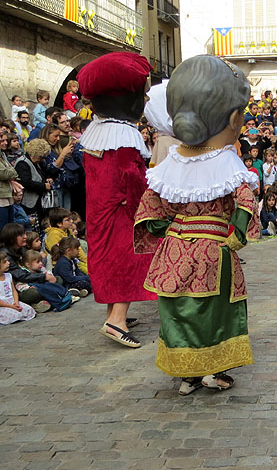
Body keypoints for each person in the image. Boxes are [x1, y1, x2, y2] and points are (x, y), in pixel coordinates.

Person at [134, 55, 259, 395]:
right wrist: (236, 234)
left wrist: (171, 232)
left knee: (179, 310)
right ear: (234, 118)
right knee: (214, 311)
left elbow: (150, 209)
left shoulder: (170, 162)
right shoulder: (226, 161)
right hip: (212, 250)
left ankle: (187, 374)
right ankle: (212, 372)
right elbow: (244, 203)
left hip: (175, 247)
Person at [77, 51, 157, 348]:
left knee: (109, 261)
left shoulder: (97, 131)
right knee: (128, 261)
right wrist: (147, 207)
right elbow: (131, 178)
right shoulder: (123, 135)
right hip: (121, 213)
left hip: (100, 210)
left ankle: (114, 313)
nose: (144, 100)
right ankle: (116, 321)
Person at [14, 139, 53, 218]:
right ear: (34, 153)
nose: (42, 159)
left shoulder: (37, 163)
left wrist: (47, 180)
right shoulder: (22, 163)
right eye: (41, 157)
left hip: (38, 201)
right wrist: (43, 186)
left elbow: (40, 176)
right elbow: (25, 182)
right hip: (27, 202)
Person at [0, 250, 36, 325]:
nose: (8, 263)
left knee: (29, 310)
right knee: (15, 315)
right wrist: (10, 306)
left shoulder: (9, 276)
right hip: (3, 305)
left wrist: (16, 302)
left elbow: (14, 291)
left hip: (12, 301)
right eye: (4, 262)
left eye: (7, 261)